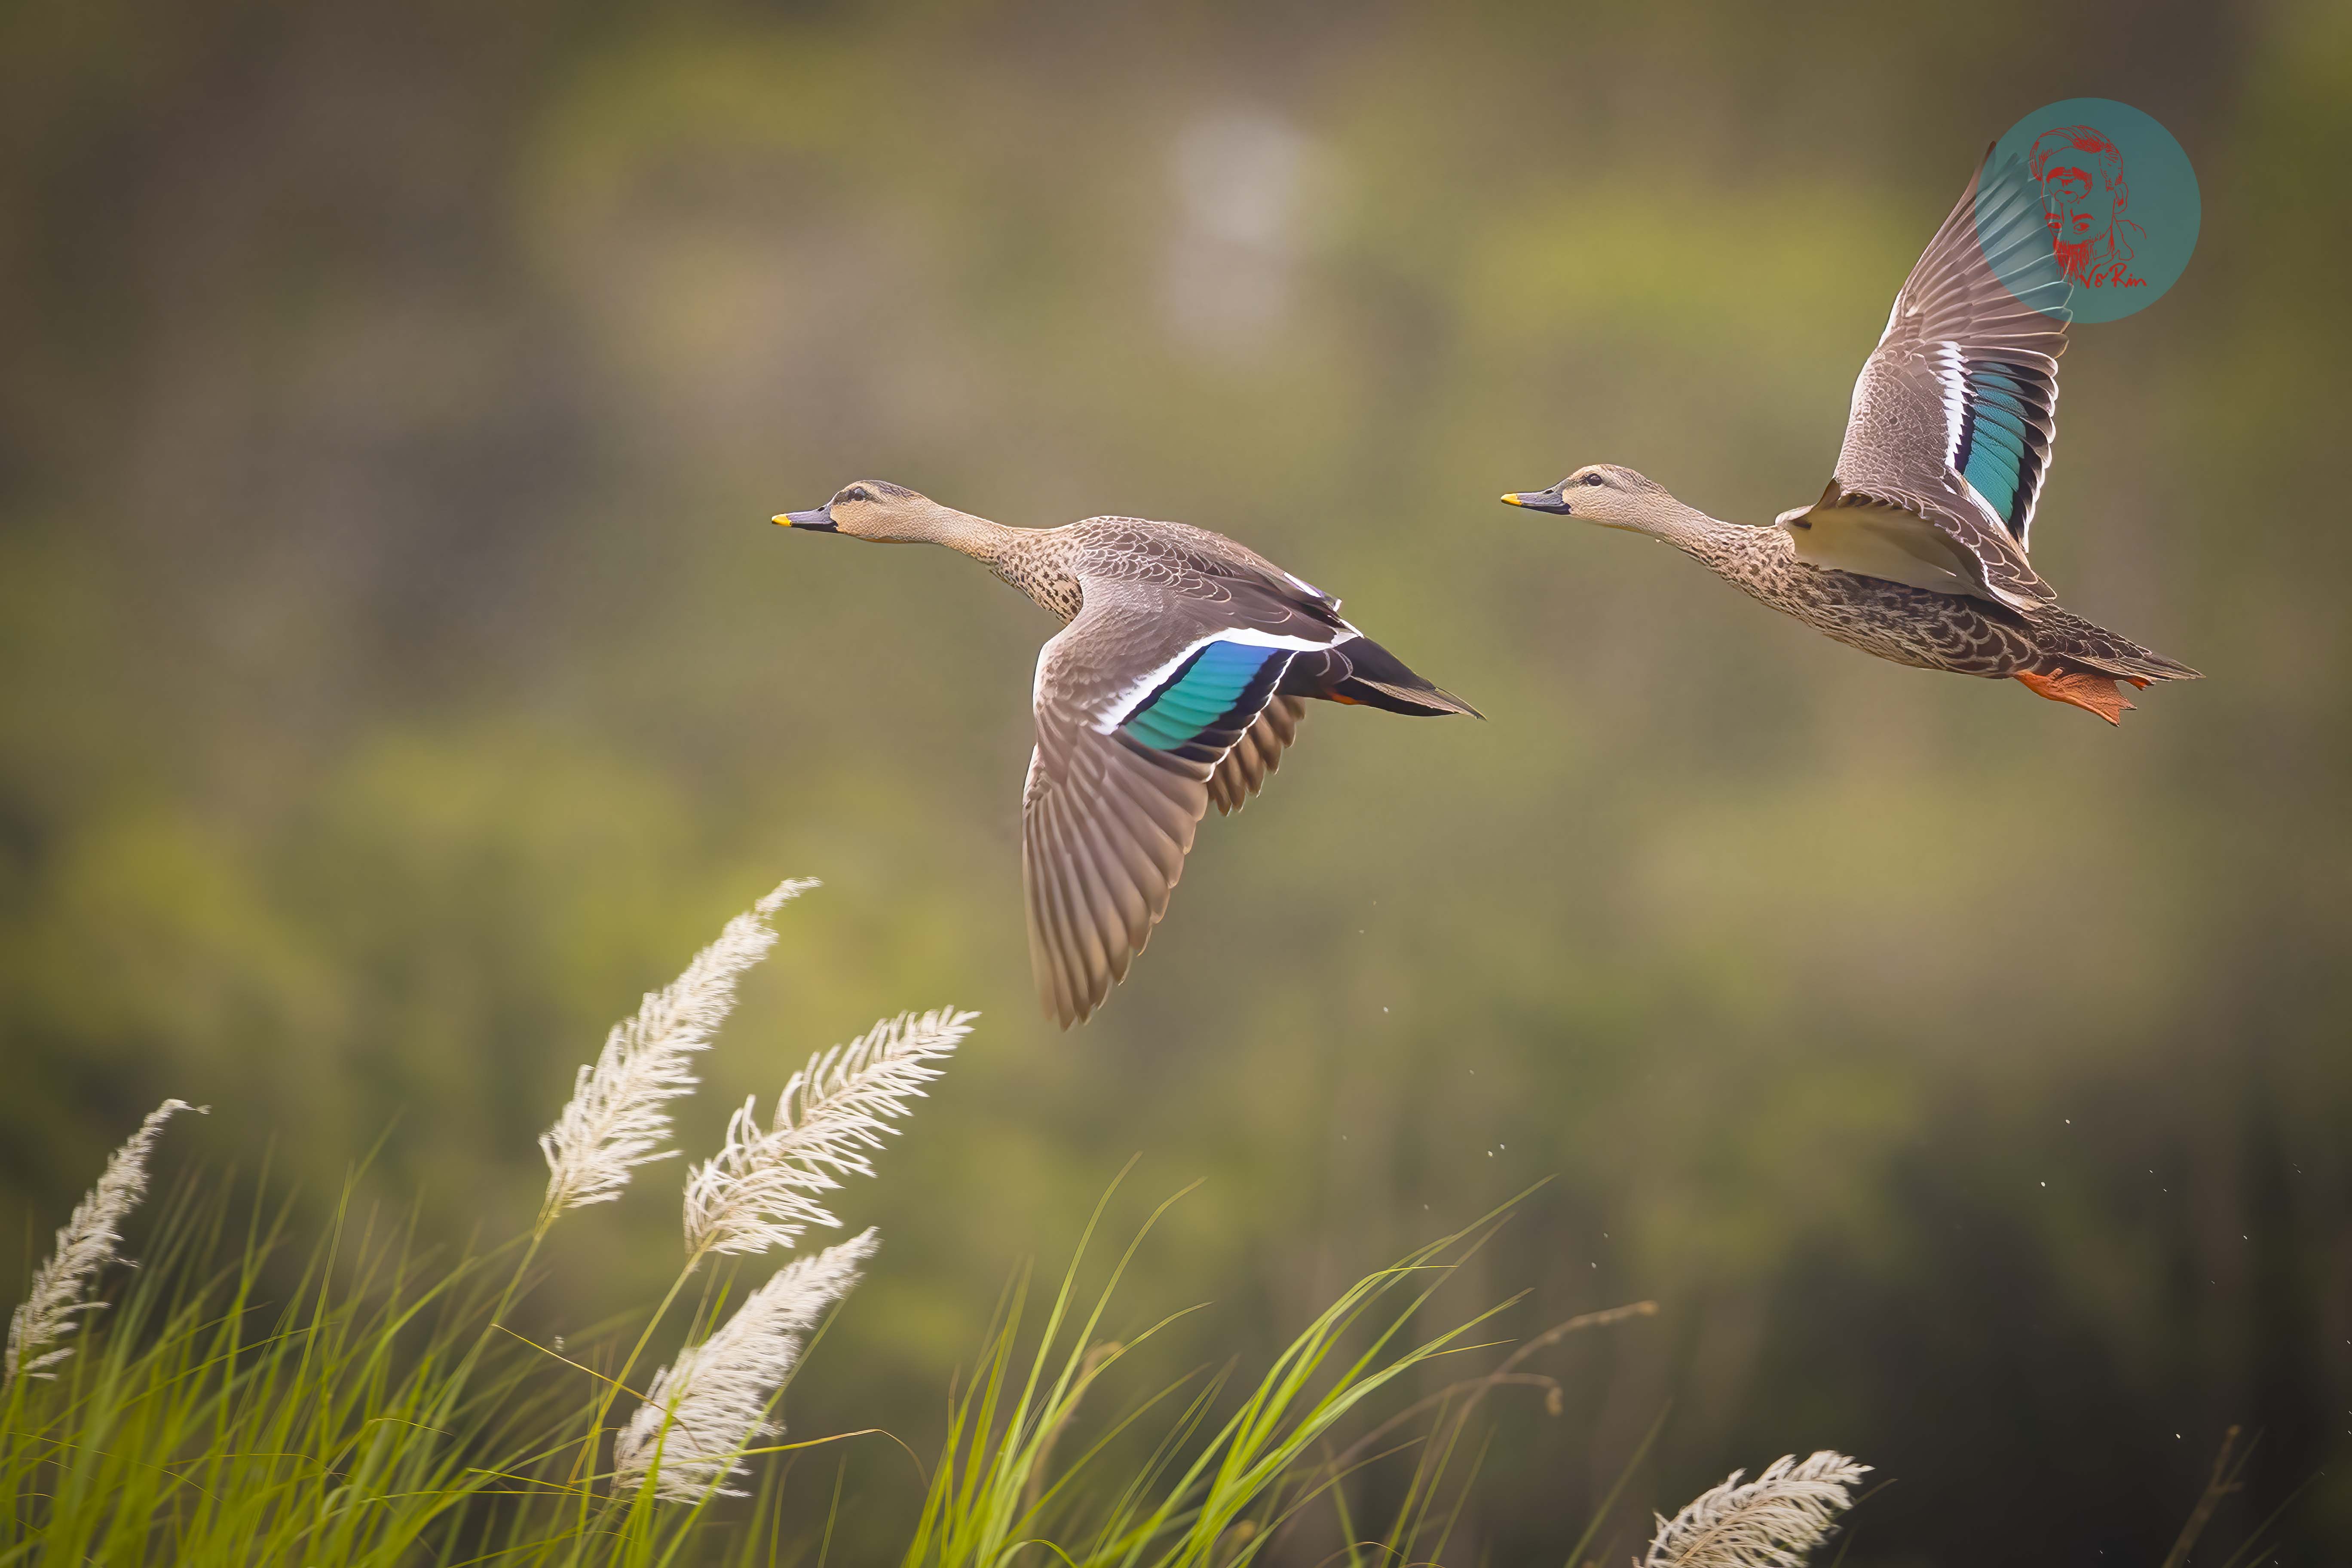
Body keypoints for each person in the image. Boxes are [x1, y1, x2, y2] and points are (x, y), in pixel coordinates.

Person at [2029, 125, 2149, 291]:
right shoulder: (2025, 258)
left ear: (2119, 198)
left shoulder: (2145, 250)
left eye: (2080, 184)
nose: (2065, 207)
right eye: (2055, 187)